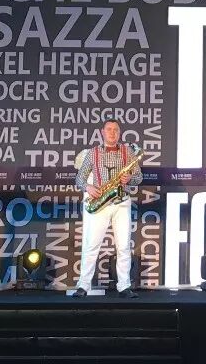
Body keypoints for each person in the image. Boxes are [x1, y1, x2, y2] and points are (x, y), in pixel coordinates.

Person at [73, 118, 142, 297]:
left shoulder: (128, 152)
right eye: (109, 129)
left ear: (119, 133)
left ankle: (124, 286)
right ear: (102, 132)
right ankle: (83, 286)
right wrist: (88, 188)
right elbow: (79, 179)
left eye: (115, 130)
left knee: (124, 247)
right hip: (100, 203)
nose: (112, 133)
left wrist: (130, 179)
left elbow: (139, 177)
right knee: (91, 245)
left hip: (122, 203)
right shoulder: (93, 152)